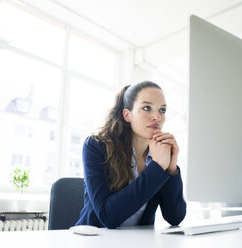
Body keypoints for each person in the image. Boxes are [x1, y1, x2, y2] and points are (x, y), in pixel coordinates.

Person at [76, 81, 186, 229]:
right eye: (147, 108)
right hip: (96, 240)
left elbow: (175, 217)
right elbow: (107, 217)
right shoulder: (96, 146)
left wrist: (171, 169)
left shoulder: (159, 154)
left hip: (137, 242)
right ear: (127, 115)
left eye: (162, 110)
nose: (157, 117)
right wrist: (157, 168)